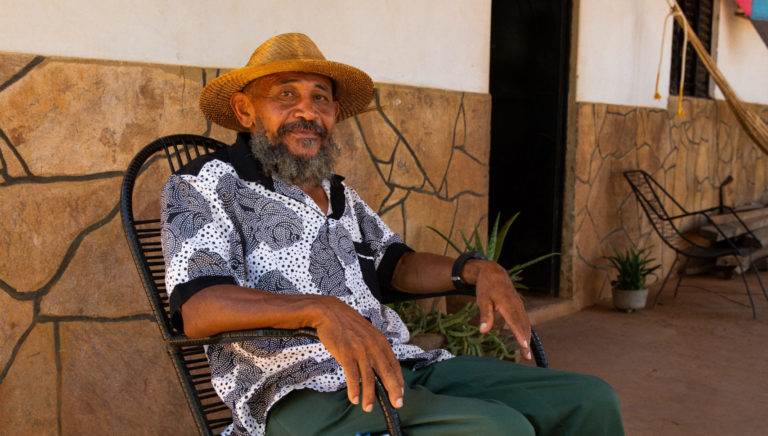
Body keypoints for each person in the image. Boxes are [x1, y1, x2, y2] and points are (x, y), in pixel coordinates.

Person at [161, 32, 624, 436]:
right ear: (245, 110)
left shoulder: (336, 192)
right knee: (499, 430)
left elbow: (395, 265)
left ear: (335, 112)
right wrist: (320, 311)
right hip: (295, 393)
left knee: (589, 399)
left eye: (320, 98)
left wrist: (474, 269)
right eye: (285, 95)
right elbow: (197, 307)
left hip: (398, 364)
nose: (307, 111)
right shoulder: (205, 184)